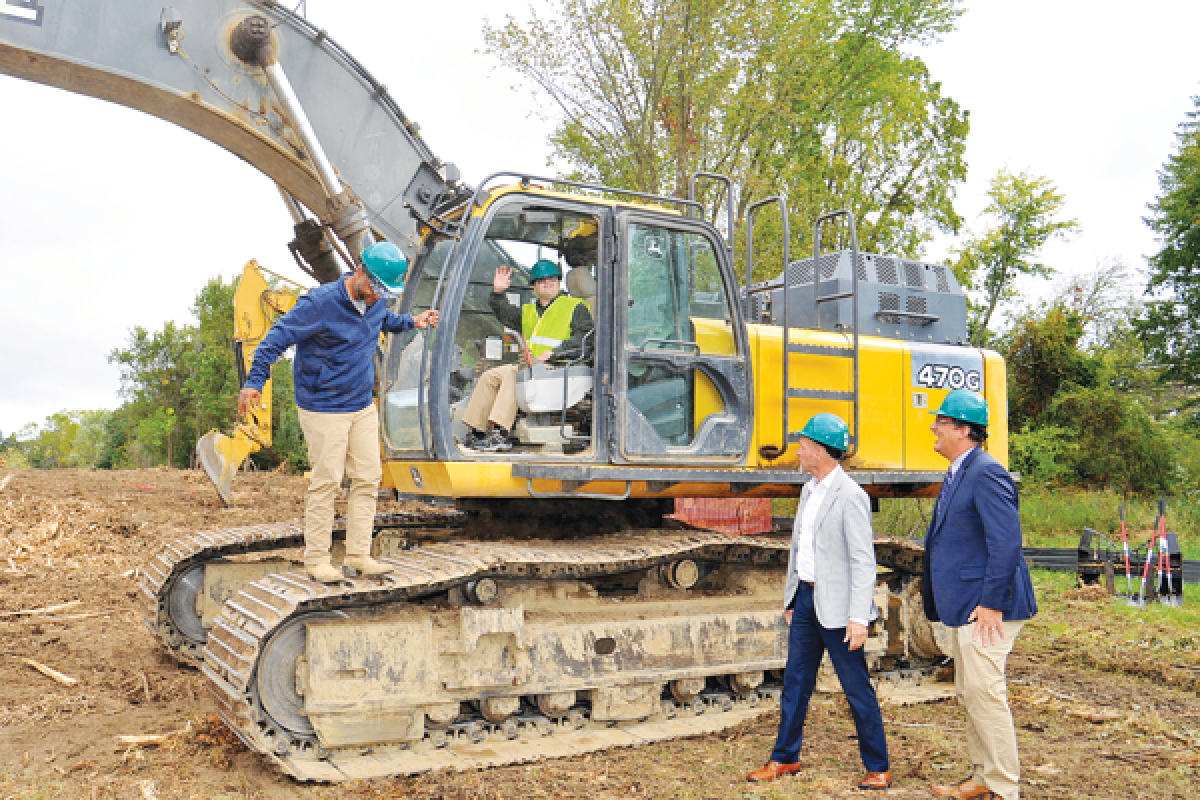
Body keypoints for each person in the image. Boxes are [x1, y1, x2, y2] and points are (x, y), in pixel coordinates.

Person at [238, 242, 439, 583]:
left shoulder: (375, 303)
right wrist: (255, 380)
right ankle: (317, 559)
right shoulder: (320, 303)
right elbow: (276, 337)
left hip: (361, 404)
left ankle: (358, 555)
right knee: (327, 480)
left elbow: (384, 319)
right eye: (376, 289)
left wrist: (412, 322)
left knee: (368, 478)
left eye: (385, 293)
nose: (378, 297)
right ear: (361, 272)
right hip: (323, 405)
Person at [748, 413, 891, 791]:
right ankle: (785, 757)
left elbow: (863, 561)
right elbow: (800, 550)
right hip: (807, 600)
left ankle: (878, 766)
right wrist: (793, 597)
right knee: (795, 681)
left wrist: (859, 617)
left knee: (855, 686)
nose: (798, 450)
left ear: (821, 451)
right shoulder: (809, 489)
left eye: (804, 445)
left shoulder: (851, 497)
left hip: (840, 609)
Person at [923, 389, 1037, 800]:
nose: (934, 427)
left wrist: (991, 603)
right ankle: (982, 778)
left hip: (988, 606)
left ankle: (1004, 789)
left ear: (963, 430)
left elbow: (1006, 543)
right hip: (970, 604)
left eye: (941, 421)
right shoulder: (960, 471)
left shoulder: (986, 472)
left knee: (985, 693)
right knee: (971, 692)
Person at [461, 258, 594, 451]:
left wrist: (556, 353)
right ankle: (477, 432)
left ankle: (500, 433)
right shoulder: (529, 310)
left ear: (558, 282)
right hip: (534, 368)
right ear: (534, 287)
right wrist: (498, 293)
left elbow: (586, 339)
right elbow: (505, 313)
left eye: (552, 279)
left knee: (514, 374)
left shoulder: (575, 307)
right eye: (541, 281)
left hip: (561, 368)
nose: (547, 283)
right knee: (490, 376)